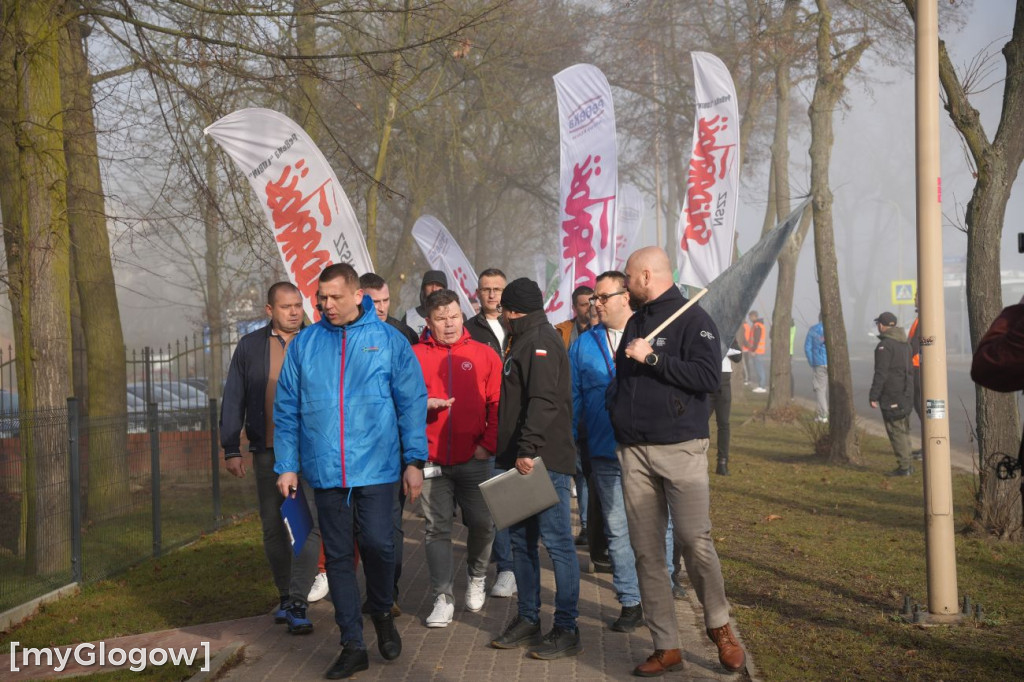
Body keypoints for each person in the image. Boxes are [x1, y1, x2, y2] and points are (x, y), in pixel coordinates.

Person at [274, 263, 428, 680]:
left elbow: (412, 402)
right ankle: (352, 643)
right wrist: (287, 465)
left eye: (334, 297)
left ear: (357, 295)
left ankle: (380, 612)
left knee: (379, 546)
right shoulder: (305, 344)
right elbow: (286, 409)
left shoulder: (388, 341)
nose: (325, 305)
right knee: (339, 559)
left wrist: (414, 461)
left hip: (378, 469)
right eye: (320, 298)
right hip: (325, 472)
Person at [608, 247, 744, 676]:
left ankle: (719, 626)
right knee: (647, 554)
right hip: (633, 452)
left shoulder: (695, 320)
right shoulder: (636, 320)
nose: (625, 285)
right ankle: (666, 645)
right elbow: (621, 382)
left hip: (681, 448)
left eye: (628, 277)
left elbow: (707, 378)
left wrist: (652, 358)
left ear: (647, 276)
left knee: (694, 541)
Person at [220, 282, 322, 635]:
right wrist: (231, 446)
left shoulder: (318, 340)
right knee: (274, 527)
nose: (294, 312)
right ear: (269, 311)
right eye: (286, 307)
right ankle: (284, 597)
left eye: (298, 305)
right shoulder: (250, 347)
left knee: (310, 527)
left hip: (313, 452)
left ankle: (297, 599)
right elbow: (234, 396)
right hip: (268, 452)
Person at [490, 277, 582, 660]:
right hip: (520, 460)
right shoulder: (524, 338)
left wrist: (527, 448)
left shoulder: (540, 340)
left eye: (504, 311)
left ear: (512, 311)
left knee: (558, 544)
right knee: (520, 544)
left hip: (541, 462)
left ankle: (566, 627)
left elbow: (543, 401)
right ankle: (528, 619)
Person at [413, 289, 501, 628]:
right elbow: (402, 404)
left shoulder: (483, 354)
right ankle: (442, 597)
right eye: (440, 319)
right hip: (432, 459)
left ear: (461, 315)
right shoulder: (414, 355)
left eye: (453, 316)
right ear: (428, 322)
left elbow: (497, 404)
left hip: (475, 458)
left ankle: (477, 575)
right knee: (437, 530)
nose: (449, 324)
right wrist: (425, 407)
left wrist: (487, 445)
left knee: (483, 523)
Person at [569, 271, 645, 633]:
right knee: (616, 530)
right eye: (594, 298)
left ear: (625, 296)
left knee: (656, 527)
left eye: (602, 297)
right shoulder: (584, 344)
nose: (595, 303)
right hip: (603, 450)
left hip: (647, 450)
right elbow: (573, 397)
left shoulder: (651, 334)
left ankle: (661, 589)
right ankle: (630, 602)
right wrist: (569, 441)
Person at [358, 271, 416, 616]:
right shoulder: (338, 336)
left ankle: (387, 594)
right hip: (350, 449)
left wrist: (413, 457)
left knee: (388, 526)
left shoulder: (400, 335)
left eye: (385, 301)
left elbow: (412, 395)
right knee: (357, 530)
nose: (380, 308)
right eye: (373, 301)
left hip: (389, 449)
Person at [465, 268, 517, 600]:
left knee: (513, 498)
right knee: (491, 502)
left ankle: (513, 565)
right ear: (477, 293)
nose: (492, 295)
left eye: (498, 288)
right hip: (484, 426)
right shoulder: (469, 330)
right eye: (486, 289)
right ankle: (502, 567)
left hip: (515, 422)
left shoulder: (518, 325)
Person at [554, 285, 594, 544]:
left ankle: (589, 525)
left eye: (592, 302)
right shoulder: (561, 333)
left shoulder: (603, 333)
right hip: (565, 410)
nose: (588, 308)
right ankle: (558, 529)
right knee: (568, 469)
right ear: (574, 307)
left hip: (592, 413)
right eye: (582, 304)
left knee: (586, 471)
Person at [868, 312, 915, 477]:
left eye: (878, 324)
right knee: (904, 429)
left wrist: (874, 396)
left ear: (881, 325)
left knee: (896, 432)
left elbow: (881, 373)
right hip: (906, 393)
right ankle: (908, 463)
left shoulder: (885, 346)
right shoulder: (905, 344)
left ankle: (904, 467)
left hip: (892, 394)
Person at [711, 341, 742, 476]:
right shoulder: (703, 329)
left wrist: (725, 346)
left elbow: (738, 357)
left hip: (724, 382)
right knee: (699, 421)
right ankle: (696, 459)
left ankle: (722, 463)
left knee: (724, 424)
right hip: (707, 379)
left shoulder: (728, 334)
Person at [360, 272, 418, 345]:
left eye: (385, 300)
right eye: (375, 302)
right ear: (359, 299)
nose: (382, 308)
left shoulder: (404, 333)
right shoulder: (345, 332)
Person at [404, 270, 447, 337]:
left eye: (438, 285)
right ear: (424, 288)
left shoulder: (453, 315)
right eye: (430, 284)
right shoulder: (409, 317)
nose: (434, 289)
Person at [804, 315, 828, 423]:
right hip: (831, 363)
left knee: (820, 389)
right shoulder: (833, 328)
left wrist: (812, 361)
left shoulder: (813, 330)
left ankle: (823, 415)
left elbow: (807, 347)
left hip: (819, 363)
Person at [743, 310, 767, 393]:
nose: (749, 319)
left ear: (754, 316)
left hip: (757, 351)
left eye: (750, 317)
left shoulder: (757, 326)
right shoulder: (756, 325)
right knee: (758, 368)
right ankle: (761, 385)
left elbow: (757, 339)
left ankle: (762, 386)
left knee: (759, 368)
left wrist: (753, 350)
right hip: (757, 350)